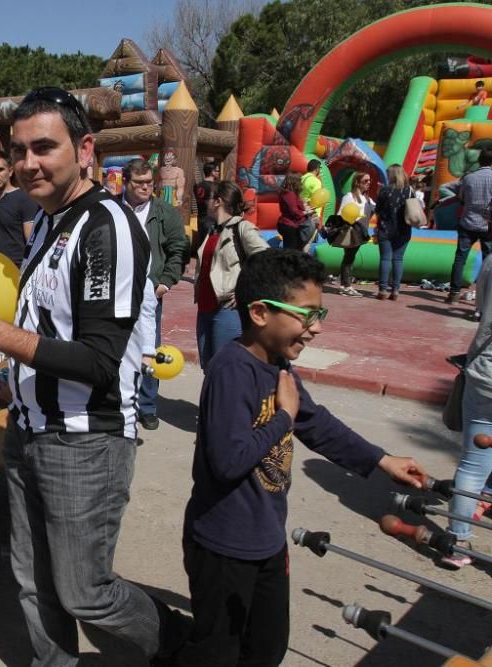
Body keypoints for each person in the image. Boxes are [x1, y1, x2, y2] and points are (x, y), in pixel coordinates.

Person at [0, 87, 187, 665]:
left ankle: (181, 646)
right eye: (19, 150)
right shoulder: (45, 220)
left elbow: (97, 360)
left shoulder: (106, 228)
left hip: (84, 439)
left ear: (85, 149)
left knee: (85, 592)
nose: (27, 163)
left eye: (44, 147)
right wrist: (9, 372)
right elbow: (44, 320)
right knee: (34, 582)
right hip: (27, 428)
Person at [175, 248, 426, 666]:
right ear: (259, 312)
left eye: (320, 314)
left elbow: (317, 424)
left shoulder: (278, 367)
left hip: (267, 540)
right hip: (223, 547)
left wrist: (381, 460)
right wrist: (283, 417)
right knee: (216, 652)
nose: (316, 329)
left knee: (268, 647)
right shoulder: (231, 370)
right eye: (306, 314)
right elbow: (227, 462)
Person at [122, 157, 187, 431]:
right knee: (116, 345)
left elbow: (178, 249)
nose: (146, 187)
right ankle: (119, 399)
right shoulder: (112, 208)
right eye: (139, 183)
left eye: (150, 182)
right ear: (126, 182)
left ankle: (147, 406)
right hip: (117, 291)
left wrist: (165, 282)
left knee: (150, 345)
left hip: (149, 292)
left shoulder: (164, 212)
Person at [443, 254, 492, 568]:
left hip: (487, 371)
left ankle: (456, 540)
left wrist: (472, 358)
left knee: (473, 464)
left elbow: (486, 321)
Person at [193, 180, 269, 369]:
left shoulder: (241, 228)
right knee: (209, 367)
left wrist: (245, 290)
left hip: (226, 309)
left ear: (218, 201)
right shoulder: (212, 229)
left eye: (209, 199)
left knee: (225, 368)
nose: (206, 203)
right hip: (205, 307)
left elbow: (266, 258)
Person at [445, 147, 492, 304]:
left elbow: (461, 198)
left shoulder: (469, 178)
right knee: (489, 260)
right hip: (488, 225)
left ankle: (454, 293)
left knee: (460, 258)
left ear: (480, 161)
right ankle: (486, 295)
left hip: (468, 222)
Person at [0, 149, 39, 267]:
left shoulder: (25, 199)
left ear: (10, 171)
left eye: (0, 170)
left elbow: (31, 242)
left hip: (15, 271)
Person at [374, 164, 413, 301]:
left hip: (386, 228)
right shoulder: (408, 191)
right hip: (403, 230)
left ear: (391, 175)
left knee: (385, 259)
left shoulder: (384, 190)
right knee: (398, 259)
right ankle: (395, 290)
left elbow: (377, 210)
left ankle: (383, 289)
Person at [336, 172, 374, 297]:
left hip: (361, 231)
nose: (368, 183)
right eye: (365, 181)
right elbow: (340, 213)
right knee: (348, 258)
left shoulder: (367, 198)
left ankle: (345, 284)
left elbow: (376, 208)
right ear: (357, 182)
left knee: (350, 258)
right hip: (351, 230)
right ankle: (346, 286)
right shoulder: (349, 196)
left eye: (369, 181)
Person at [277, 172, 312, 251]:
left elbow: (297, 207)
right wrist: (306, 212)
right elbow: (294, 211)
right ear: (294, 181)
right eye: (299, 180)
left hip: (292, 225)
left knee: (295, 249)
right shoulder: (289, 194)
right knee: (291, 251)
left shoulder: (291, 193)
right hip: (289, 225)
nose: (301, 183)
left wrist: (305, 207)